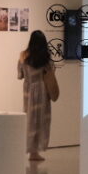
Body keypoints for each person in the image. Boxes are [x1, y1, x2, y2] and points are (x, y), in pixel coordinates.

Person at [17, 30, 59, 161]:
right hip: (42, 90)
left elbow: (20, 75)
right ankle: (35, 151)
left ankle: (31, 151)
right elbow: (51, 71)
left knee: (30, 120)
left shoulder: (23, 56)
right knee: (41, 121)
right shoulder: (46, 57)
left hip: (29, 90)